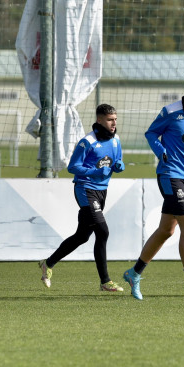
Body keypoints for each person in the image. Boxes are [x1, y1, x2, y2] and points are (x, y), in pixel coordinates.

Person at [122, 71, 184, 300]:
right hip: (169, 174)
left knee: (167, 230)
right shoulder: (171, 112)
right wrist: (161, 152)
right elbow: (151, 133)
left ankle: (134, 273)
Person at [39, 104, 125, 292]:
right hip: (85, 189)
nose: (114, 123)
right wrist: (94, 171)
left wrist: (119, 165)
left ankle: (48, 263)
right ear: (99, 120)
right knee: (103, 231)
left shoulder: (116, 140)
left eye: (115, 119)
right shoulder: (87, 142)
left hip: (102, 191)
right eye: (110, 120)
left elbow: (118, 159)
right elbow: (72, 167)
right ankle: (105, 281)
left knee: (82, 236)